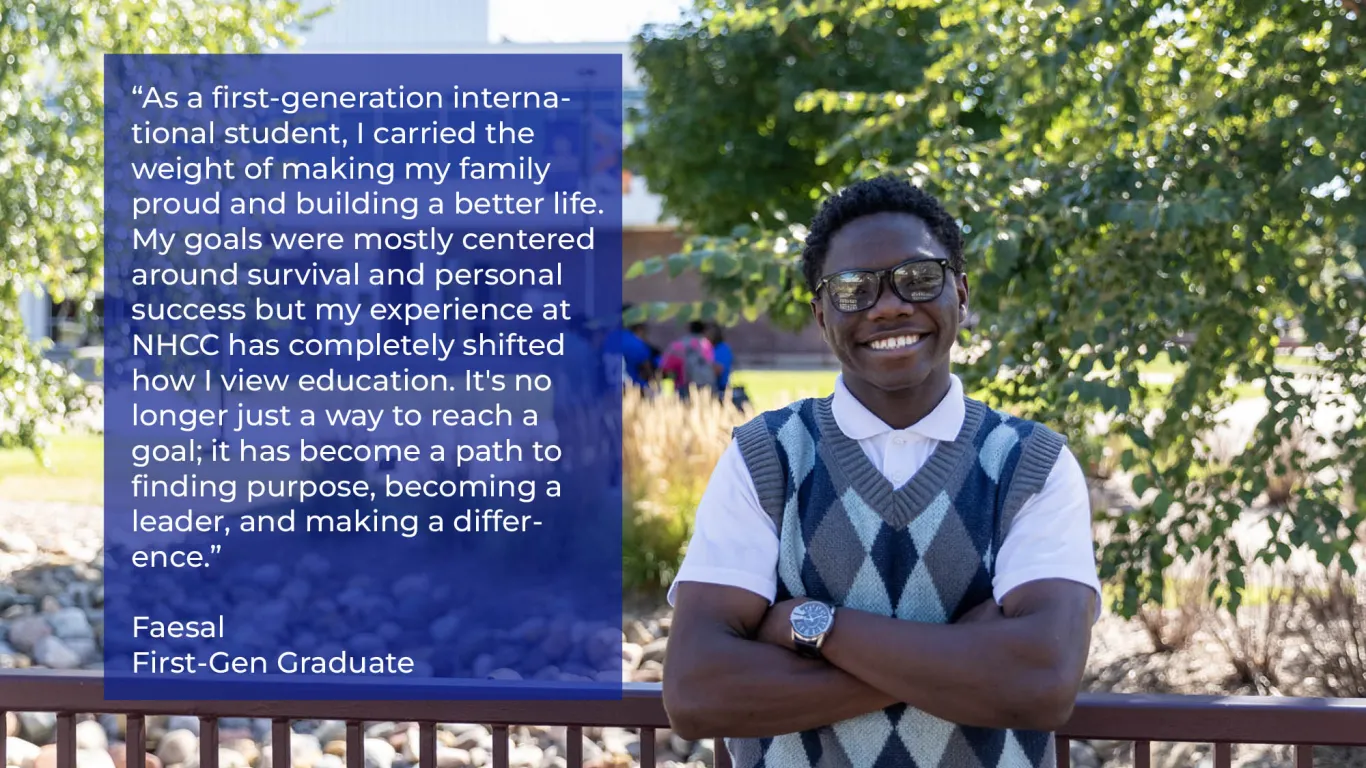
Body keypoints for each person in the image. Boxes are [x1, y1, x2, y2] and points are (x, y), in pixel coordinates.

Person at [662, 176, 1101, 768]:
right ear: (821, 315)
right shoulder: (765, 458)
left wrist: (812, 627)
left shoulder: (1032, 463)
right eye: (853, 289)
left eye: (919, 279)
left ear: (962, 294)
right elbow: (696, 692)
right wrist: (967, 658)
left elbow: (1040, 685)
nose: (889, 304)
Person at [659, 320, 720, 400]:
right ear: (703, 330)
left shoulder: (677, 345)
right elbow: (713, 366)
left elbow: (665, 369)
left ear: (689, 329)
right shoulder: (706, 345)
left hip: (684, 386)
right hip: (707, 388)